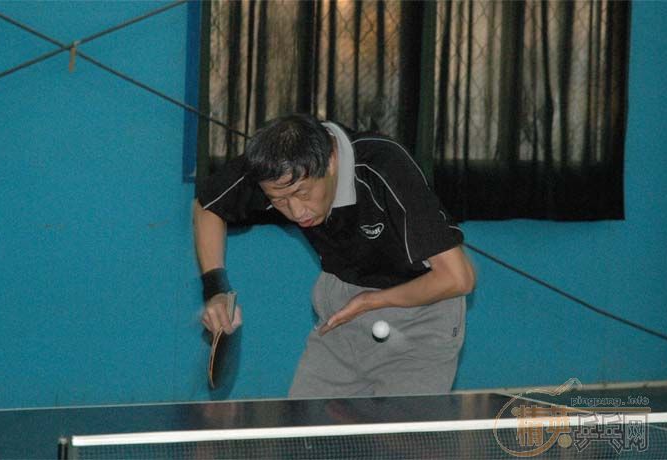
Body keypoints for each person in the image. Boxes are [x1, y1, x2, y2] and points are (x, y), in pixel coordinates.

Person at [193, 114, 475, 398]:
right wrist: (215, 289)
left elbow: (458, 278)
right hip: (340, 316)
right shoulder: (273, 168)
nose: (296, 211)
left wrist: (371, 301)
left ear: (330, 162)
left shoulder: (385, 165)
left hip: (421, 316)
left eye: (303, 193)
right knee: (306, 424)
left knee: (400, 428)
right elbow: (207, 206)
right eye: (279, 201)